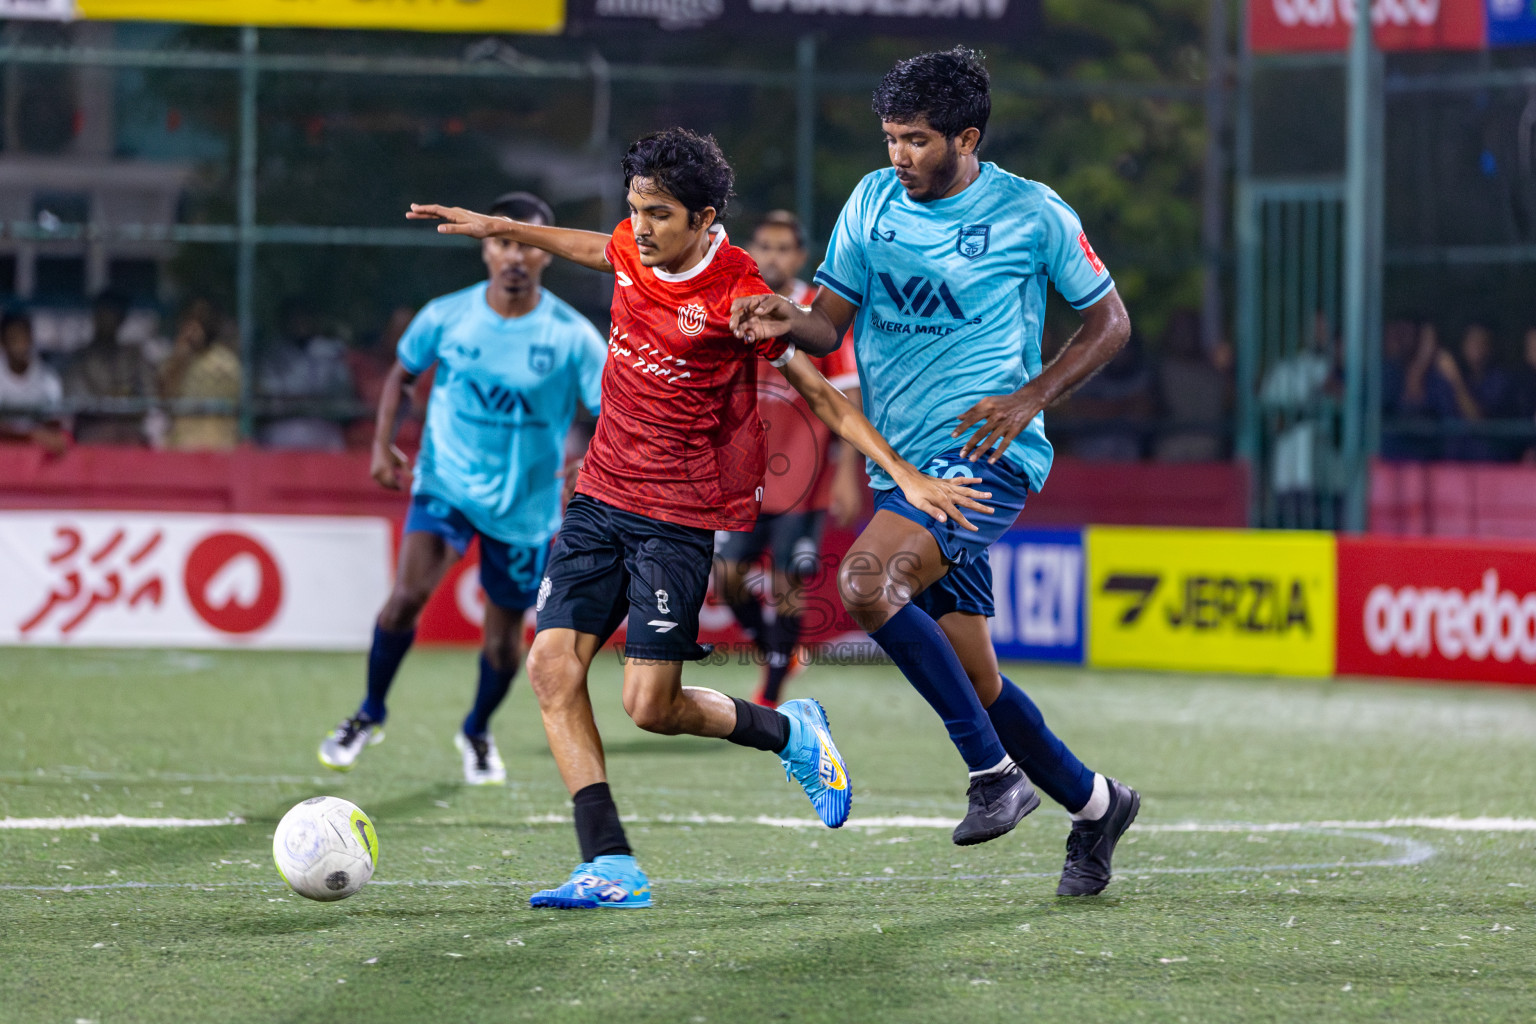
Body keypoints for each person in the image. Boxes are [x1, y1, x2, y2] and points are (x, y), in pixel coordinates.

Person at [409, 127, 988, 909]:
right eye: (635, 210)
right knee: (551, 668)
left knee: (649, 707)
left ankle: (789, 732)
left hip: (674, 519)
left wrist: (904, 476)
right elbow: (595, 247)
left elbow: (820, 393)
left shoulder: (740, 293)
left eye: (658, 215)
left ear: (705, 218)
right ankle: (609, 864)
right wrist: (505, 227)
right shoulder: (630, 244)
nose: (640, 228)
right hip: (600, 497)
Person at [731, 48, 1140, 896]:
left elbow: (1110, 322)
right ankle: (1097, 805)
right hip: (905, 468)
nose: (899, 157)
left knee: (864, 582)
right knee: (978, 678)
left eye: (916, 141)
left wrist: (1031, 397)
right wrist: (784, 317)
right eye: (890, 139)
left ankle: (994, 778)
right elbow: (827, 323)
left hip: (987, 457)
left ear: (966, 136)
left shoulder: (1032, 212)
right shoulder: (872, 201)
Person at [317, 192, 608, 787]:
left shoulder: (573, 337)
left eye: (530, 244)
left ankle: (476, 728)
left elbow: (615, 408)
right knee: (405, 597)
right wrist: (381, 444)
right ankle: (369, 713)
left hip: (525, 508)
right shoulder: (447, 316)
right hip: (444, 482)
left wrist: (594, 461)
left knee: (505, 646)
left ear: (548, 255)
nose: (516, 256)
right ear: (486, 247)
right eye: (504, 242)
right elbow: (402, 374)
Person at [716, 210, 865, 708]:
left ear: (800, 257)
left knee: (787, 588)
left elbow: (846, 397)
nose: (772, 256)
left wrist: (847, 475)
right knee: (726, 578)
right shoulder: (736, 305)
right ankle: (781, 652)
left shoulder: (813, 316)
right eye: (765, 245)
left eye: (784, 248)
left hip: (805, 482)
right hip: (742, 481)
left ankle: (771, 697)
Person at [257, 301, 355, 452]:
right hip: (283, 432)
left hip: (324, 431)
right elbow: (270, 396)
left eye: (304, 317)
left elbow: (343, 395)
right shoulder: (271, 354)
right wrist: (310, 400)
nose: (300, 322)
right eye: (294, 317)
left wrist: (309, 401)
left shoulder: (332, 351)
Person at [62, 289, 153, 445]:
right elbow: (76, 400)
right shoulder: (79, 358)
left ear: (122, 318)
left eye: (114, 312)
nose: (108, 318)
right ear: (95, 315)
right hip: (91, 436)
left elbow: (149, 397)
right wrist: (117, 400)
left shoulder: (134, 357)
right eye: (103, 312)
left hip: (129, 436)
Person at [158, 299, 242, 451]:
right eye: (190, 322)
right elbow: (163, 400)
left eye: (200, 322)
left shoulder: (227, 363)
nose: (193, 329)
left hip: (218, 446)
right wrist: (180, 360)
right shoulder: (174, 359)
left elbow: (237, 407)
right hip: (181, 446)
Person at [1426, 322, 1516, 462]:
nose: (1476, 346)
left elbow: (1476, 421)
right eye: (1472, 340)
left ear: (1492, 347)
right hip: (1451, 466)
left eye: (1483, 341)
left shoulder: (1500, 379)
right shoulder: (1444, 381)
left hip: (1487, 466)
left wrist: (1455, 378)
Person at [0, 309, 68, 456]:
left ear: (31, 339)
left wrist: (43, 434)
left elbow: (57, 422)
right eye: (13, 338)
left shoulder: (48, 378)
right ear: (3, 342)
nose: (20, 345)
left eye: (24, 338)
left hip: (35, 457)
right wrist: (31, 434)